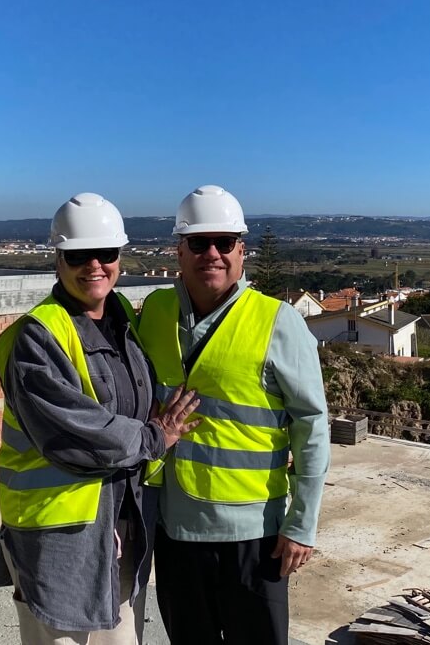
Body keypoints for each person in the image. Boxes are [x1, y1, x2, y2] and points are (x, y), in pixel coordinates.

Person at [0, 192, 199, 645]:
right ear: (58, 259)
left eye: (105, 253)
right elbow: (73, 431)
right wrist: (153, 437)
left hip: (120, 523)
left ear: (120, 257)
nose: (94, 265)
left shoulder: (122, 316)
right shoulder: (37, 337)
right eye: (78, 255)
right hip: (60, 535)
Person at [137, 185, 330, 645]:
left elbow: (312, 426)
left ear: (242, 252)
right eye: (199, 243)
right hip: (175, 530)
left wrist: (302, 523)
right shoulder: (154, 313)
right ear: (178, 251)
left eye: (225, 243)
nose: (213, 254)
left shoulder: (278, 321)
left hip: (253, 535)